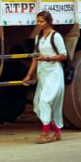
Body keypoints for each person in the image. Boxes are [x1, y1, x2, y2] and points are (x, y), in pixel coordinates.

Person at [23, 11, 68, 144]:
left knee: (45, 100)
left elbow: (63, 55)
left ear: (48, 22)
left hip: (54, 72)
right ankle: (57, 133)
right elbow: (36, 58)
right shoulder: (39, 37)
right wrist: (28, 75)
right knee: (41, 102)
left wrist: (47, 58)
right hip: (43, 74)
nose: (39, 24)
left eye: (41, 21)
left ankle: (45, 133)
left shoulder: (56, 36)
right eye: (38, 21)